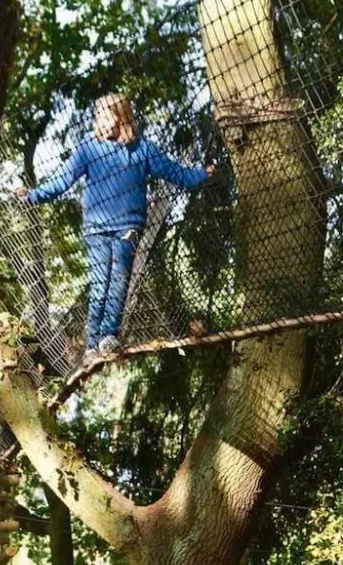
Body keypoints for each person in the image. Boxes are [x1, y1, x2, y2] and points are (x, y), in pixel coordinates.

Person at [15, 93, 215, 363]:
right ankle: (92, 344)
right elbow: (62, 180)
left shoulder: (142, 149)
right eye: (98, 116)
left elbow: (175, 172)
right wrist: (33, 194)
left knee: (118, 281)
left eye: (107, 116)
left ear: (122, 117)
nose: (101, 121)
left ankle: (109, 336)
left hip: (128, 226)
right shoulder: (89, 148)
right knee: (100, 284)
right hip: (96, 228)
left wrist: (202, 175)